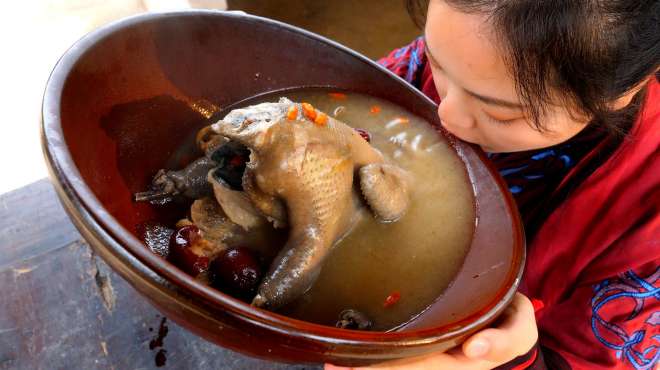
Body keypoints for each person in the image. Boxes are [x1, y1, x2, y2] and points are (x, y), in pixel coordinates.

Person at [327, 0, 659, 369]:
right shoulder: (469, 54)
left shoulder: (646, 210)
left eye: (501, 113)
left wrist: (516, 360)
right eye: (437, 63)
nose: (445, 115)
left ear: (622, 92)